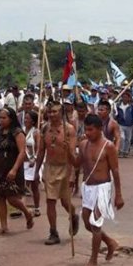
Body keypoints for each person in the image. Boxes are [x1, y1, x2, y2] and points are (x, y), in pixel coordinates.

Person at [71, 114, 124, 266]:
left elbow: (115, 170)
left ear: (100, 129)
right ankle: (109, 242)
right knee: (87, 222)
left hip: (102, 188)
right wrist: (68, 151)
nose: (87, 133)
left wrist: (119, 195)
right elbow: (76, 163)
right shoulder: (83, 144)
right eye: (86, 129)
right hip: (88, 187)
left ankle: (93, 260)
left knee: (95, 223)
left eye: (91, 130)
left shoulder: (108, 146)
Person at [34, 101, 78, 245]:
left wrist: (72, 175)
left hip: (65, 167)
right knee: (50, 201)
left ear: (61, 113)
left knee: (65, 201)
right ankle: (53, 232)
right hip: (49, 167)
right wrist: (36, 171)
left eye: (55, 112)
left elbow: (72, 156)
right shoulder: (45, 128)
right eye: (50, 112)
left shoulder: (69, 129)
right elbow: (41, 151)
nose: (52, 114)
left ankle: (73, 214)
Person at [0, 107, 33, 235]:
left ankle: (27, 212)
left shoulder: (18, 132)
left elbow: (22, 152)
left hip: (12, 168)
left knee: (12, 198)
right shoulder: (0, 131)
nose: (1, 120)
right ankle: (3, 226)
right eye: (0, 118)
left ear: (11, 118)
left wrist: (14, 169)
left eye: (4, 118)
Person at [23, 110, 41, 217]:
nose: (25, 120)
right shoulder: (22, 130)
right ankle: (24, 208)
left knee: (34, 186)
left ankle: (37, 207)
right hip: (23, 162)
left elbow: (39, 148)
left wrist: (34, 159)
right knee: (23, 186)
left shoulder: (36, 132)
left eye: (28, 118)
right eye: (25, 118)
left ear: (33, 121)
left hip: (32, 162)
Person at [115, 90, 133, 158]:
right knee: (122, 138)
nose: (125, 98)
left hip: (129, 125)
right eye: (123, 97)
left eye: (126, 97)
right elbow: (116, 114)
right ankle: (121, 151)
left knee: (128, 139)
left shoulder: (131, 106)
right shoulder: (118, 105)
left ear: (129, 98)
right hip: (121, 124)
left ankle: (126, 151)